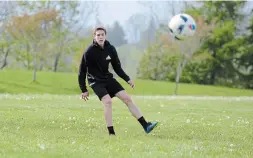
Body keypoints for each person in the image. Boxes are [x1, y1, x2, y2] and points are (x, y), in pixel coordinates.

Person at [78, 26, 158, 135]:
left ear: (105, 36)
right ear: (94, 36)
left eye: (102, 35)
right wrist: (84, 89)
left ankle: (146, 125)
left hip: (107, 78)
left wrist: (127, 79)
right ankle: (111, 133)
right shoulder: (89, 52)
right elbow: (82, 71)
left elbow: (117, 67)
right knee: (108, 102)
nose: (100, 37)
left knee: (127, 99)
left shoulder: (110, 49)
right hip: (95, 81)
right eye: (98, 35)